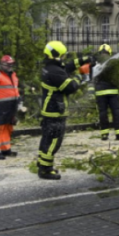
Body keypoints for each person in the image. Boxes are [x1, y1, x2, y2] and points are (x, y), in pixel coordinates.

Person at [37, 41, 83, 180]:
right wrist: (81, 75)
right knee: (53, 142)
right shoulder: (55, 72)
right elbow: (71, 87)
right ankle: (45, 170)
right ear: (56, 55)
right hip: (55, 111)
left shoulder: (49, 67)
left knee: (46, 139)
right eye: (62, 56)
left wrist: (83, 60)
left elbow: (66, 68)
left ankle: (42, 163)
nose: (63, 58)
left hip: (49, 110)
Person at [92, 44, 119, 141]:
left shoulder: (96, 64)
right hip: (113, 92)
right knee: (116, 112)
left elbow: (93, 79)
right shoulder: (113, 63)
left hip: (100, 92)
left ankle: (104, 134)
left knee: (103, 113)